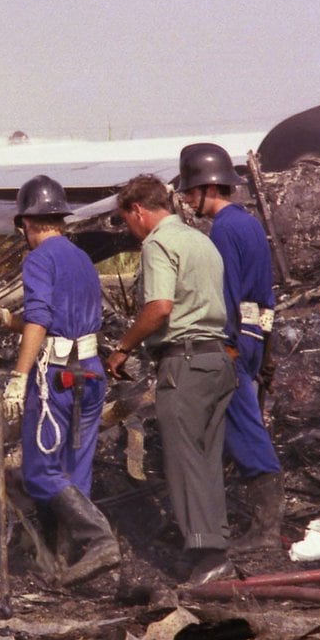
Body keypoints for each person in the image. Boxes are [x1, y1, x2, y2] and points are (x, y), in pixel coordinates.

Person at [0, 175, 119, 586]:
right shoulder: (81, 258)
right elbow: (55, 319)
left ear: (25, 222)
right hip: (90, 371)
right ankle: (68, 564)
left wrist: (18, 379)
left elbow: (40, 319)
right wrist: (5, 320)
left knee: (39, 472)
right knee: (74, 470)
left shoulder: (37, 259)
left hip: (55, 376)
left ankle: (100, 539)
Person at [105, 174, 237, 585]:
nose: (130, 230)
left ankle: (209, 553)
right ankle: (210, 547)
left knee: (183, 461)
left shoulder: (158, 243)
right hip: (217, 359)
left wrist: (123, 346)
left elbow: (160, 307)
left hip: (184, 363)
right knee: (207, 458)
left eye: (127, 222)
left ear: (138, 211)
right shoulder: (201, 240)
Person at [177, 143, 284, 551]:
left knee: (243, 428)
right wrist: (265, 353)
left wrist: (227, 348)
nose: (188, 201)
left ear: (208, 187)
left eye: (191, 192)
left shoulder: (222, 230)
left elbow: (224, 293)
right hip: (256, 337)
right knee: (241, 423)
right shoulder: (251, 224)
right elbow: (265, 298)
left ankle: (265, 530)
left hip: (235, 341)